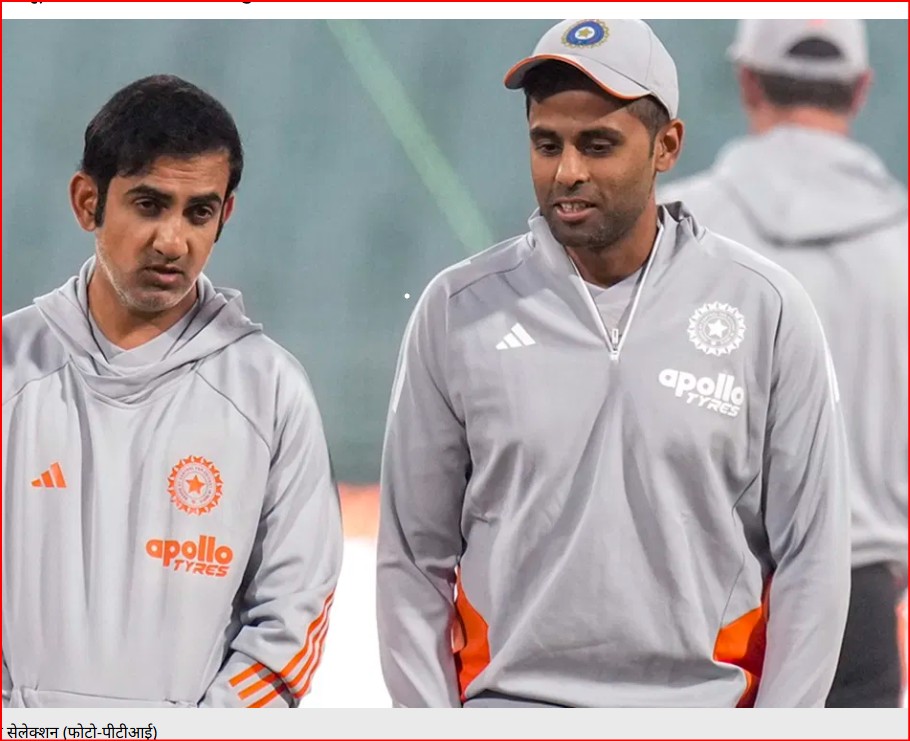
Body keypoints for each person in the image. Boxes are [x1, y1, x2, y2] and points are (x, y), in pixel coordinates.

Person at [376, 19, 850, 708]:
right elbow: (411, 558)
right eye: (547, 144)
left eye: (597, 145)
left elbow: (813, 554)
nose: (567, 172)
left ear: (667, 146)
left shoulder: (767, 308)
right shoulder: (457, 310)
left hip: (705, 712)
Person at [1, 75, 342, 708]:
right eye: (149, 204)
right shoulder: (9, 370)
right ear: (87, 202)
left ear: (224, 216)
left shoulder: (270, 391)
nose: (173, 241)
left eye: (198, 212)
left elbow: (291, 619)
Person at [659, 19, 908, 708]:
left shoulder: (668, 228)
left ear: (747, 81)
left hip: (701, 598)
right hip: (859, 601)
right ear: (861, 89)